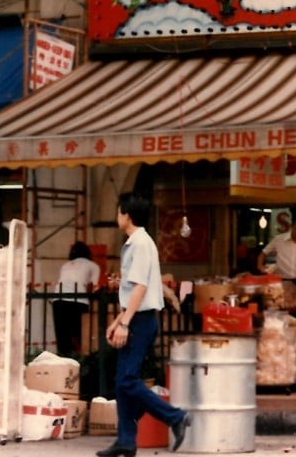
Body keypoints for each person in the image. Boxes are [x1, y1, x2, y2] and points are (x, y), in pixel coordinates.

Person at [97, 193, 189, 457]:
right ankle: (126, 440)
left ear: (126, 214)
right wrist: (118, 321)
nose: (117, 215)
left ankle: (175, 417)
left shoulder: (140, 244)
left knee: (127, 380)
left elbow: (140, 286)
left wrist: (124, 323)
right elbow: (132, 291)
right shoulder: (136, 242)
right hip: (136, 317)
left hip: (141, 320)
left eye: (118, 211)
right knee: (122, 382)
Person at [52, 240, 100, 357]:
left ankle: (63, 360)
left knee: (62, 337)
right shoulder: (93, 266)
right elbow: (95, 286)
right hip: (78, 301)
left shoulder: (65, 265)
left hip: (58, 299)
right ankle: (82, 360)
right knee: (81, 335)